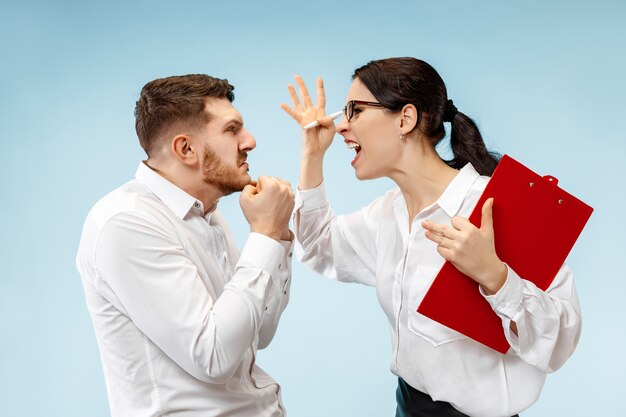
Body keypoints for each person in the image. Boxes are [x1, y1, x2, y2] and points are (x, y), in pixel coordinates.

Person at [280, 58, 581, 417]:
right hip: (408, 406)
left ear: (405, 119)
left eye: (355, 110)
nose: (341, 125)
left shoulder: (494, 207)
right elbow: (318, 247)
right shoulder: (388, 213)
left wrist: (496, 277)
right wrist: (312, 155)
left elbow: (559, 341)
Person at [76, 74, 295, 417]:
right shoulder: (125, 223)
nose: (250, 141)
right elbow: (214, 357)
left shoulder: (206, 215)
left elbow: (257, 333)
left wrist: (278, 238)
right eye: (232, 129)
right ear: (186, 149)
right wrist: (264, 234)